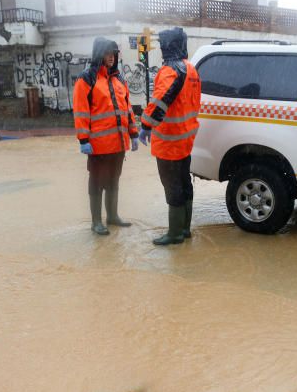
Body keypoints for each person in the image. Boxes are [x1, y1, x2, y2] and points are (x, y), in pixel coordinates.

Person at [139, 27, 201, 245]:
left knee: (172, 186)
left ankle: (174, 234)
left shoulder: (169, 71)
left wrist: (146, 124)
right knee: (184, 183)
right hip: (185, 139)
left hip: (169, 141)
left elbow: (160, 101)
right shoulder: (191, 70)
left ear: (167, 46)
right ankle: (185, 230)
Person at [73, 37, 139, 235]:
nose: (111, 57)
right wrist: (83, 139)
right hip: (98, 145)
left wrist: (133, 133)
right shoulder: (87, 78)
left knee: (113, 180)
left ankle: (112, 216)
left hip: (118, 144)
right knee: (97, 181)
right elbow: (81, 111)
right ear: (99, 54)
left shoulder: (119, 79)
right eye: (108, 53)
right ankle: (96, 221)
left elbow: (128, 109)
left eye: (114, 53)